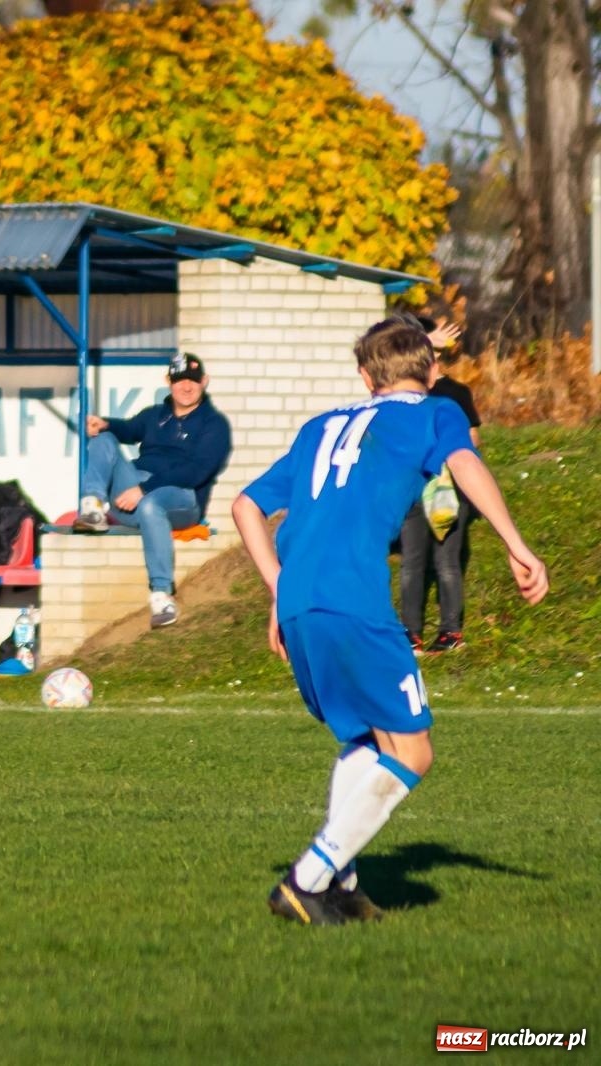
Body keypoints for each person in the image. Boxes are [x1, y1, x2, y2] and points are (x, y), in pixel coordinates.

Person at [232, 319, 547, 926]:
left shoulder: (319, 426)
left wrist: (278, 586)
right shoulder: (434, 414)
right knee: (413, 751)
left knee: (367, 740)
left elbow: (246, 505)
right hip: (353, 597)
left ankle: (340, 887)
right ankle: (309, 878)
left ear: (363, 377)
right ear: (432, 373)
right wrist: (516, 544)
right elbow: (467, 465)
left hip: (300, 598)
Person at [71, 353, 233, 628]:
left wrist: (144, 489)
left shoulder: (214, 425)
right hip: (135, 493)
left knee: (150, 505)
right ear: (168, 381)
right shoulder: (155, 415)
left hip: (182, 498)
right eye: (180, 380)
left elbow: (197, 472)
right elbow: (129, 429)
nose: (186, 386)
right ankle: (93, 508)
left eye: (192, 381)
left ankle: (161, 595)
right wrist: (106, 424)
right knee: (105, 438)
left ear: (204, 382)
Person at [396, 318, 481, 654]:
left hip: (448, 490)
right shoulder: (404, 395)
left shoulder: (455, 393)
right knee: (412, 563)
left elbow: (472, 440)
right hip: (412, 490)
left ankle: (450, 633)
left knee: (446, 562)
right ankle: (410, 633)